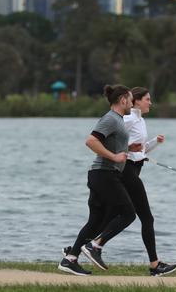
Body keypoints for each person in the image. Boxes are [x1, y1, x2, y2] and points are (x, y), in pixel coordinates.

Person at [58, 84, 140, 276]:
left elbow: (111, 143)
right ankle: (95, 246)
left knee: (95, 221)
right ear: (122, 100)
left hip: (101, 175)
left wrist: (129, 149)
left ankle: (70, 259)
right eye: (130, 99)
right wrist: (113, 157)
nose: (131, 103)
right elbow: (91, 141)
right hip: (104, 174)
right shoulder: (111, 118)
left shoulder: (117, 120)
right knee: (128, 214)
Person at [121, 87, 176, 276]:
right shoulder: (128, 119)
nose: (150, 102)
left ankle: (77, 251)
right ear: (136, 101)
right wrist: (129, 147)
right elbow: (111, 143)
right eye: (147, 99)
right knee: (146, 217)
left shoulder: (140, 120)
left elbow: (140, 150)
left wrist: (154, 142)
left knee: (111, 215)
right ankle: (155, 265)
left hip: (135, 169)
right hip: (126, 169)